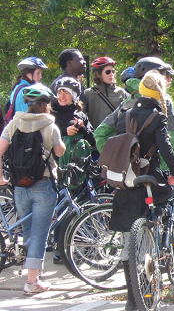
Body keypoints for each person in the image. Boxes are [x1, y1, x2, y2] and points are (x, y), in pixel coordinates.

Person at [94, 57, 174, 276]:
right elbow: (173, 139)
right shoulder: (162, 100)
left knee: (139, 217)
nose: (168, 81)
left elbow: (100, 133)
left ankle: (139, 267)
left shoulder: (128, 101)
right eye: (165, 75)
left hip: (132, 173)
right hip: (162, 169)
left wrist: (120, 157)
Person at [108, 71, 174, 310]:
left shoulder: (124, 114)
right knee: (162, 201)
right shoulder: (157, 116)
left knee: (128, 243)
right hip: (148, 182)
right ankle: (155, 246)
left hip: (125, 183)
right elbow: (166, 148)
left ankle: (133, 299)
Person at [0, 84, 66, 294]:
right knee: (40, 234)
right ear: (46, 105)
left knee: (28, 231)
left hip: (19, 186)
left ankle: (33, 272)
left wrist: (0, 176)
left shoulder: (13, 124)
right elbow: (59, 151)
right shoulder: (50, 126)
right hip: (43, 184)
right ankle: (31, 282)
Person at [50, 77, 97, 264]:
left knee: (81, 207)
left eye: (66, 92)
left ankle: (78, 247)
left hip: (80, 169)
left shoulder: (81, 115)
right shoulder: (52, 114)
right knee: (63, 208)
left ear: (74, 96)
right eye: (60, 92)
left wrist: (82, 128)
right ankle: (59, 249)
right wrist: (63, 132)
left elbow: (93, 141)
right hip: (60, 168)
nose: (62, 95)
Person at [83, 57, 128, 128]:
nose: (111, 74)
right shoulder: (88, 94)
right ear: (98, 74)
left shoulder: (121, 93)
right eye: (108, 72)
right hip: (96, 137)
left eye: (113, 71)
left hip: (116, 137)